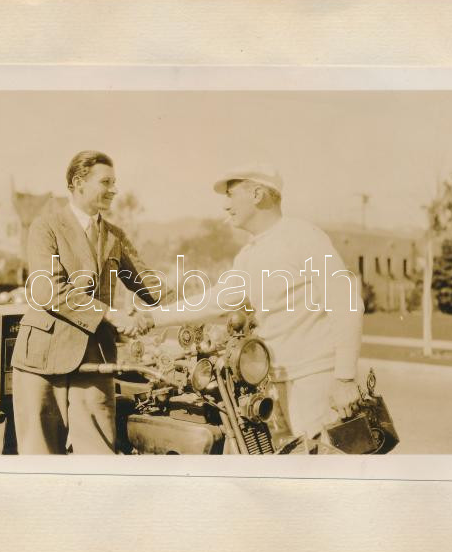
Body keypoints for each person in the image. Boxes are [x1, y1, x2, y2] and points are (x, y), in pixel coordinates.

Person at [147, 164, 363, 447]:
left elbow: (347, 304)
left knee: (322, 465)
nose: (225, 206)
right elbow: (217, 300)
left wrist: (345, 379)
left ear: (257, 194)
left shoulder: (304, 237)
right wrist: (151, 317)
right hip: (274, 382)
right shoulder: (250, 254)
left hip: (315, 380)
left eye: (230, 195)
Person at [10, 150, 160, 454]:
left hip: (96, 359)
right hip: (44, 358)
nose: (114, 190)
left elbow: (152, 288)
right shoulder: (45, 226)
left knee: (98, 456)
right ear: (78, 182)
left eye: (114, 182)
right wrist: (112, 315)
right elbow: (49, 291)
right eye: (106, 182)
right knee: (40, 459)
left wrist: (213, 303)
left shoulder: (115, 236)